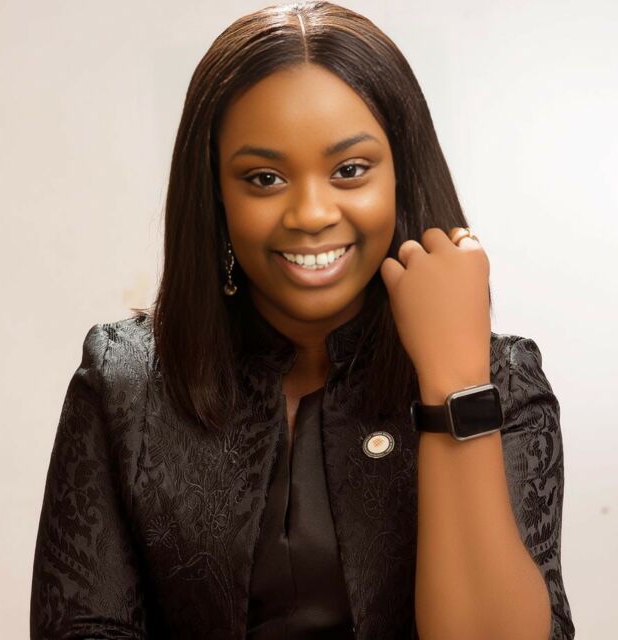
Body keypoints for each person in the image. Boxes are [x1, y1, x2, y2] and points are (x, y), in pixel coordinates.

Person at [30, 2, 575, 639]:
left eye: (350, 170)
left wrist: (455, 381)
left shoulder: (503, 382)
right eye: (264, 178)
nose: (311, 213)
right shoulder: (123, 385)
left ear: (402, 176)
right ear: (215, 194)